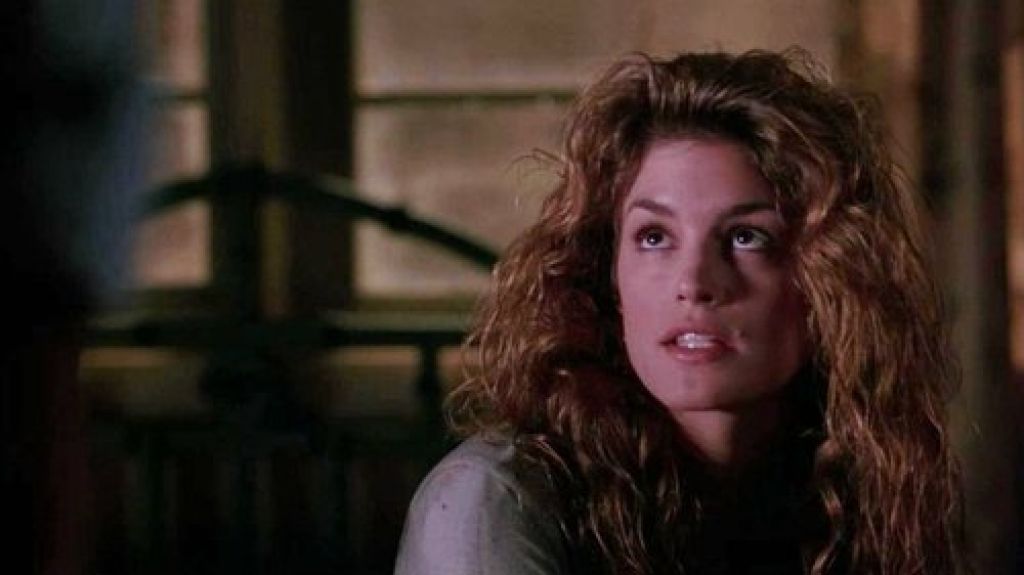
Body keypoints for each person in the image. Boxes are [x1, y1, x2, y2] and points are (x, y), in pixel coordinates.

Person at [394, 49, 964, 575]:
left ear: (830, 280)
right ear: (606, 273)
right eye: (653, 237)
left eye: (745, 237)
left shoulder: (855, 499)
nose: (694, 284)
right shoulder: (493, 503)